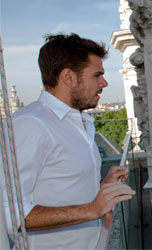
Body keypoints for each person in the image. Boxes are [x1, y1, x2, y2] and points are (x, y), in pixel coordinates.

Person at [3, 33, 135, 249]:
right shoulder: (30, 124)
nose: (104, 82)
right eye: (97, 75)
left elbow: (62, 189)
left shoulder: (80, 120)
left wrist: (102, 185)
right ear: (68, 78)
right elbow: (12, 216)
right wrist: (93, 209)